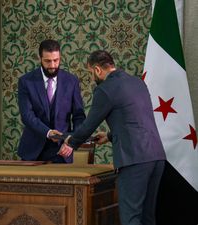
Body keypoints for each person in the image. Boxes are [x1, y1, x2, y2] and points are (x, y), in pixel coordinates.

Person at [59, 50, 166, 225]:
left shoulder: (105, 90)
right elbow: (137, 119)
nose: (92, 77)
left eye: (90, 73)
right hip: (156, 156)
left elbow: (88, 125)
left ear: (97, 70)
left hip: (134, 159)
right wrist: (109, 136)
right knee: (147, 218)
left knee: (130, 217)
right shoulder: (137, 82)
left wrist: (71, 141)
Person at [17, 39, 85, 163]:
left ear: (60, 57)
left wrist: (71, 142)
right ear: (40, 58)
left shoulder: (72, 81)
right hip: (32, 151)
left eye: (56, 60)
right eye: (47, 61)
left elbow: (79, 116)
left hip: (62, 151)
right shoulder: (26, 82)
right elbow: (27, 116)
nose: (53, 65)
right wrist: (48, 133)